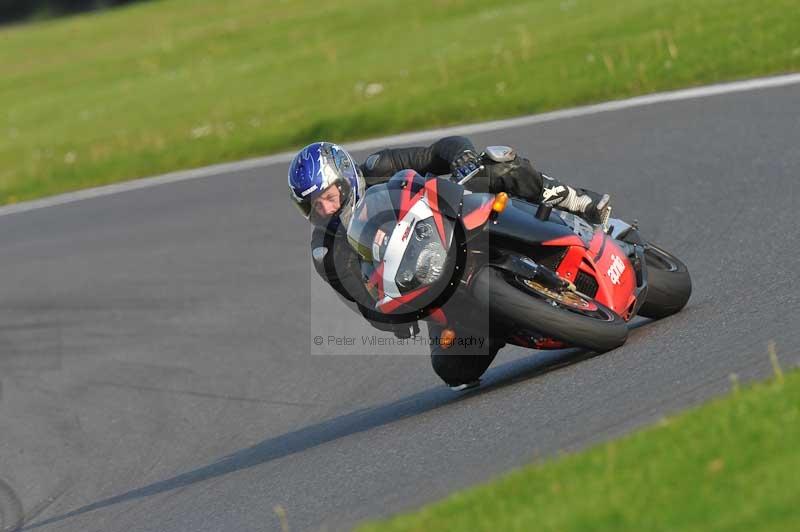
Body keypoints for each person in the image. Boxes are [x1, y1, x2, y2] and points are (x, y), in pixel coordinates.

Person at [287, 137, 610, 387]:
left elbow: (438, 151)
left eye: (329, 197)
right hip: (429, 285)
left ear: (345, 178)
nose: (326, 210)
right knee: (452, 371)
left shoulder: (379, 165)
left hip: (460, 222)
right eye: (314, 206)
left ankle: (576, 201)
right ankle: (508, 321)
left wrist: (461, 157)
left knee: (498, 164)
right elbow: (364, 301)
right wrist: (392, 316)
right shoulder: (328, 250)